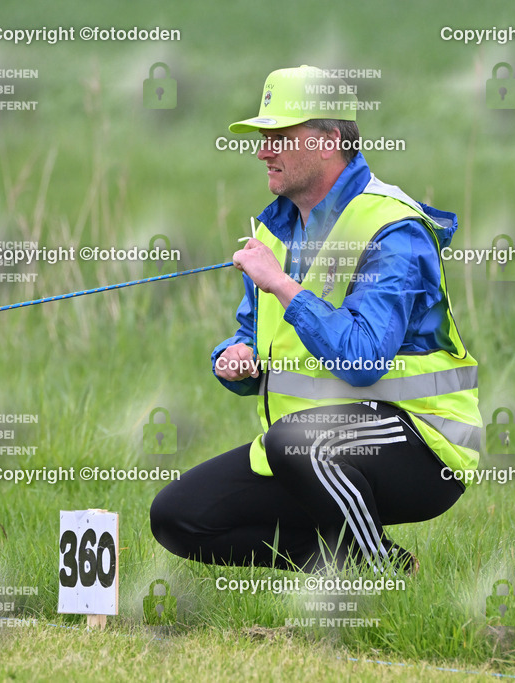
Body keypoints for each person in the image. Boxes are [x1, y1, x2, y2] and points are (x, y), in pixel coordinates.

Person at [151, 65, 481, 574]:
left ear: (328, 141)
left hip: (424, 444)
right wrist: (235, 359)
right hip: (309, 450)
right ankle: (350, 563)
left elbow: (362, 358)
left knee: (296, 441)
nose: (263, 150)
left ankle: (377, 578)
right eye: (263, 137)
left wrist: (282, 285)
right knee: (177, 517)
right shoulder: (275, 229)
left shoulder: (393, 229)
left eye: (279, 136)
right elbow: (257, 334)